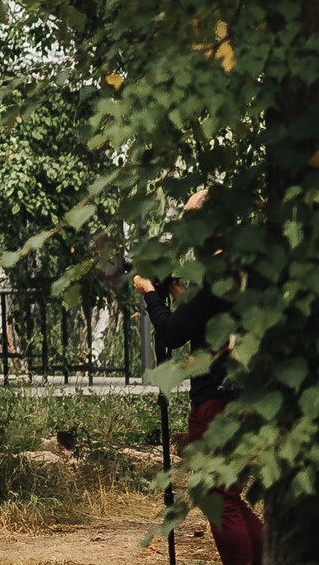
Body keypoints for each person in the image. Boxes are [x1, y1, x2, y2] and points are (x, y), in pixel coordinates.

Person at [137, 191, 262, 565]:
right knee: (227, 495)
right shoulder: (239, 269)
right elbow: (205, 318)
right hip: (238, 397)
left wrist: (150, 294)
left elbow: (172, 333)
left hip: (216, 402)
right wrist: (179, 294)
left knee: (218, 497)